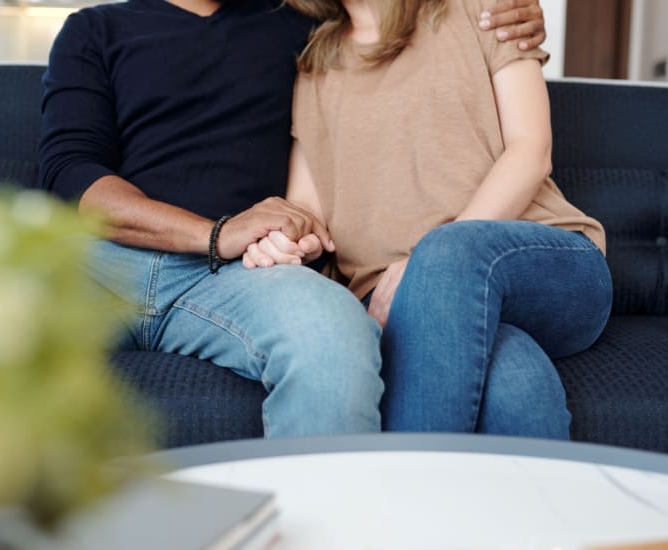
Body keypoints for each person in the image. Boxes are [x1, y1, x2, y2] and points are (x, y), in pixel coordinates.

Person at [39, 0, 548, 437]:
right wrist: (213, 234)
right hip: (99, 262)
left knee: (334, 339)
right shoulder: (93, 29)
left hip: (239, 277)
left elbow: (396, 27)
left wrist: (506, 16)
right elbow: (72, 174)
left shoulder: (303, 28)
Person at [246, 0, 613, 437]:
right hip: (397, 302)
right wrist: (290, 240)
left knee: (446, 257)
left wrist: (426, 262)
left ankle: (403, 493)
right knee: (513, 377)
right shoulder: (316, 64)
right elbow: (309, 211)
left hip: (547, 262)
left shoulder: (483, 8)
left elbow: (531, 152)